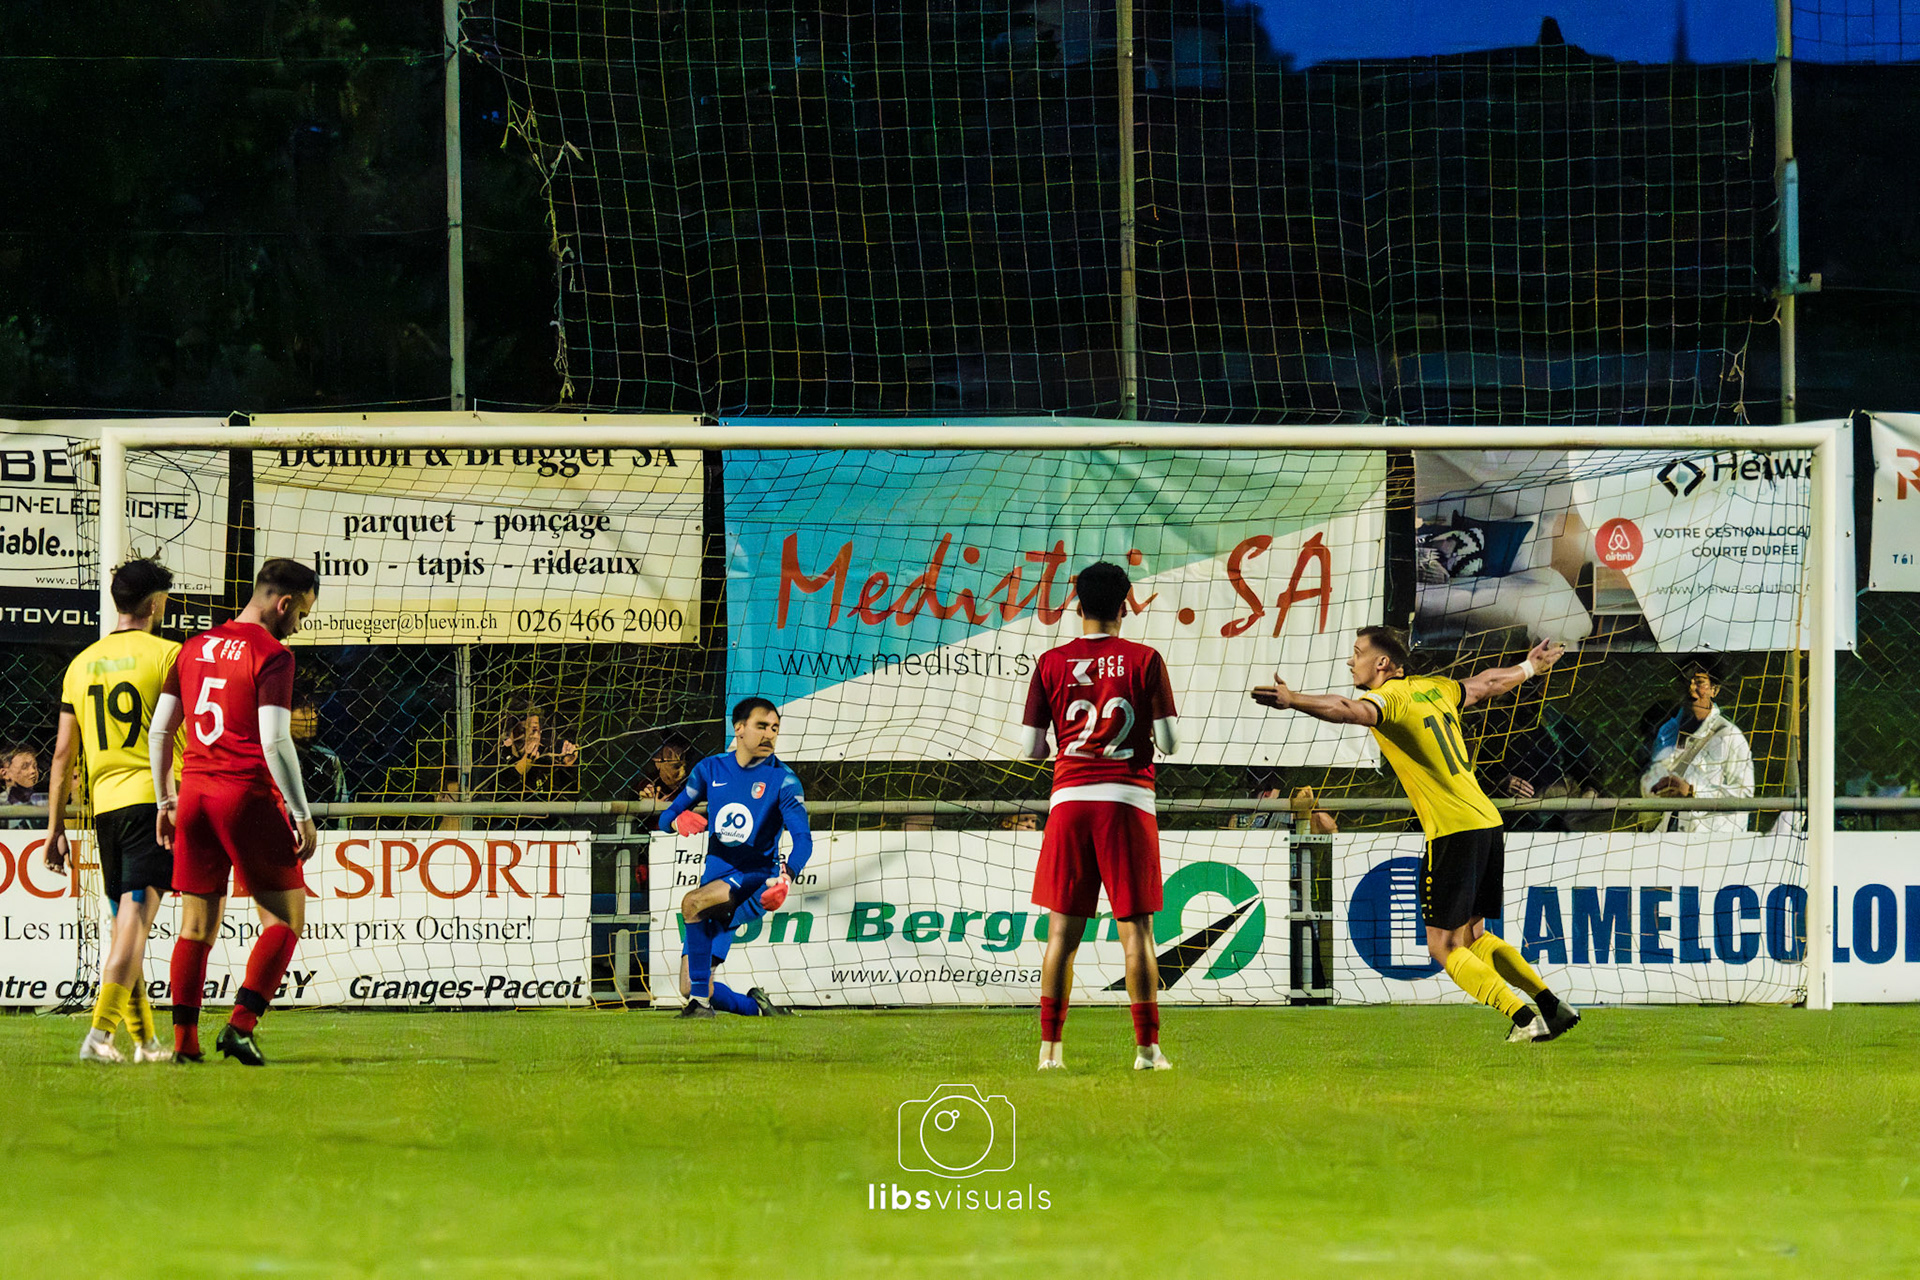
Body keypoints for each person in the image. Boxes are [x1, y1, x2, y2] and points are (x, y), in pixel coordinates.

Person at [1251, 627, 1580, 1044]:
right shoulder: (1434, 688)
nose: (1350, 661)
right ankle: (1551, 1005)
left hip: (1452, 829)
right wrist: (1530, 667)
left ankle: (1522, 1017)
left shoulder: (1389, 698)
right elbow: (1487, 683)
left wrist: (1293, 699)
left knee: (1443, 946)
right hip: (1486, 821)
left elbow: (1346, 709)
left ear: (1382, 663)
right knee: (1473, 936)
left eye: (1357, 653)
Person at [151, 559, 320, 1066]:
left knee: (195, 926)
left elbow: (160, 731)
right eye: (302, 614)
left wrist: (165, 800)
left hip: (194, 795)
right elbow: (275, 740)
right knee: (285, 919)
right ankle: (240, 1026)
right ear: (283, 603)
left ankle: (185, 1043)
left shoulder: (193, 646)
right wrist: (301, 813)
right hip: (244, 794)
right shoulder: (272, 654)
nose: (299, 625)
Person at [1019, 560, 1178, 1073]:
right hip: (1127, 802)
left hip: (1069, 802)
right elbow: (1170, 743)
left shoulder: (1051, 662)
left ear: (1076, 603)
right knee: (1137, 933)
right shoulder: (1145, 659)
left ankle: (1050, 1052)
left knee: (1061, 935)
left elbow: (1031, 749)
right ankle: (1147, 1051)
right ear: (1126, 604)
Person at [44, 558, 180, 1064]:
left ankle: (144, 1041)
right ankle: (99, 1035)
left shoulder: (81, 664)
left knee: (127, 922)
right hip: (153, 803)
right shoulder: (169, 656)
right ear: (155, 605)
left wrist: (55, 827)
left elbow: (62, 755)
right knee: (135, 921)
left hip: (106, 811)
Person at [659, 698, 814, 1018]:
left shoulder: (784, 780)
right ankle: (756, 1008)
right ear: (739, 728)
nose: (769, 734)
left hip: (754, 881)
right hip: (715, 885)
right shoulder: (710, 770)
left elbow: (803, 840)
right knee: (690, 985)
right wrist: (677, 821)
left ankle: (700, 1009)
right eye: (762, 726)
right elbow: (666, 817)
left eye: (775, 728)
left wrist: (786, 877)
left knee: (692, 902)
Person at [1641, 662, 1754, 833]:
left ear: (1714, 690)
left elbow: (1744, 794)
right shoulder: (1667, 732)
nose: (1691, 688)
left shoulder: (1730, 736)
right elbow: (1654, 779)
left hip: (1711, 836)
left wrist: (1692, 792)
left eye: (1699, 682)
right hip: (1670, 833)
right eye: (1686, 682)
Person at [1480, 706, 1601, 832]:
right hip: (1515, 814)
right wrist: (1499, 781)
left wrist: (1589, 795)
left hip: (1560, 816)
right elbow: (1480, 767)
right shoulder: (1492, 720)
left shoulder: (1559, 721)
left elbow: (1587, 771)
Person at [291, 695, 349, 827]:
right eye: (305, 711)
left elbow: (341, 811)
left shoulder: (328, 758)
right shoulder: (266, 758)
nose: (313, 716)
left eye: (315, 710)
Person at [637, 736, 691, 802]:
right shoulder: (646, 785)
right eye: (676, 766)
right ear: (657, 760)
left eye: (685, 766)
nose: (683, 773)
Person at [2, 745, 41, 829]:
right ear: (5, 774)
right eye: (25, 767)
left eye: (35, 766)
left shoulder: (42, 801)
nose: (33, 771)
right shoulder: (2, 803)